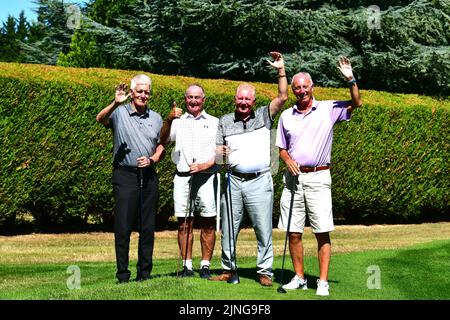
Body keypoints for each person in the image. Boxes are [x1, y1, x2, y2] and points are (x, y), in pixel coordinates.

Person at [276, 56, 362, 296]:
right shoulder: (286, 116)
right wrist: (287, 159)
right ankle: (300, 277)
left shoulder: (328, 109)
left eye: (305, 86)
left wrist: (350, 78)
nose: (302, 91)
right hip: (293, 180)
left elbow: (357, 102)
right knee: (293, 232)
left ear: (312, 87)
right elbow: (281, 148)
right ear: (293, 90)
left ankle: (322, 281)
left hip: (319, 178)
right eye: (297, 88)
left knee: (321, 231)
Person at [210, 52, 288, 287]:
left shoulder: (264, 115)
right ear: (235, 99)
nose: (243, 103)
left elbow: (283, 96)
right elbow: (217, 154)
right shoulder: (224, 121)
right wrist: (219, 153)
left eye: (248, 99)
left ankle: (264, 271)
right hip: (233, 181)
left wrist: (281, 70)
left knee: (263, 227)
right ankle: (228, 268)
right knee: (228, 228)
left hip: (259, 181)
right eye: (240, 99)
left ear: (254, 101)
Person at [96, 74, 165, 283]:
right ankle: (123, 275)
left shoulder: (156, 117)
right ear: (132, 92)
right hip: (125, 175)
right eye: (140, 91)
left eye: (147, 92)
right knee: (123, 227)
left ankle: (144, 274)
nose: (143, 95)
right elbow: (100, 119)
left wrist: (152, 159)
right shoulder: (120, 113)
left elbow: (161, 145)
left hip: (149, 175)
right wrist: (115, 103)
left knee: (147, 228)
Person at [159, 84, 219, 279]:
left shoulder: (215, 122)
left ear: (204, 100)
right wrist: (168, 119)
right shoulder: (177, 121)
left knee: (208, 222)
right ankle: (187, 265)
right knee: (184, 223)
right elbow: (163, 140)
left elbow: (221, 154)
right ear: (185, 99)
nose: (193, 101)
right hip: (183, 177)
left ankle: (205, 265)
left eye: (197, 97)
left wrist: (203, 166)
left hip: (207, 177)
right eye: (190, 97)